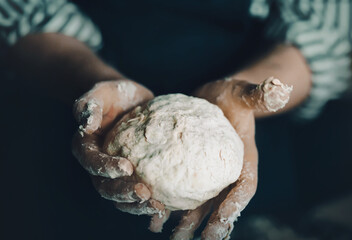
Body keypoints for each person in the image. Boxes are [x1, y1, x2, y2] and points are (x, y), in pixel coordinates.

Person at [1, 0, 351, 239]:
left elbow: (333, 27)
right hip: (67, 128)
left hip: (246, 130)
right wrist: (86, 80)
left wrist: (250, 94)